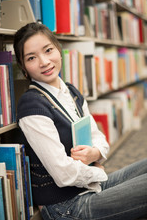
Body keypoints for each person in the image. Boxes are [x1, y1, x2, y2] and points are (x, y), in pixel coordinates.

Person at [14, 22, 147, 220]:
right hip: (66, 207)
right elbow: (63, 173)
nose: (44, 61)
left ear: (59, 50)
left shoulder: (70, 91)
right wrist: (98, 171)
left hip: (88, 185)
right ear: (24, 67)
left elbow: (98, 136)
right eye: (31, 58)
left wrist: (94, 153)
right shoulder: (31, 105)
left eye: (48, 50)